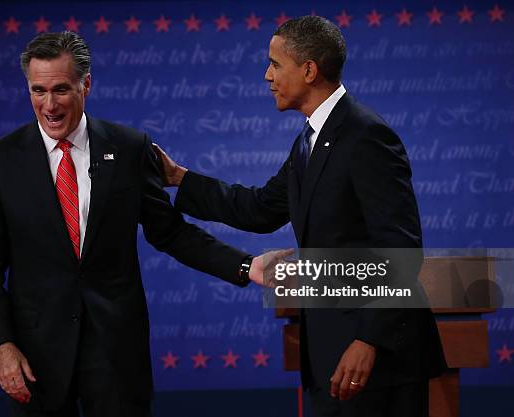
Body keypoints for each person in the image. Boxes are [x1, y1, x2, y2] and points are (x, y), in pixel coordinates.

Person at [0, 31, 272, 417]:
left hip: (115, 351)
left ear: (86, 84)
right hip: (35, 353)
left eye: (61, 89)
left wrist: (246, 266)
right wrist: (1, 345)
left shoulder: (129, 148)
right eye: (37, 90)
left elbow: (172, 233)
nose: (49, 105)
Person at [154, 16, 446, 417]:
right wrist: (179, 179)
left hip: (376, 362)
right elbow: (259, 209)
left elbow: (401, 248)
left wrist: (368, 341)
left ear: (309, 70)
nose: (267, 75)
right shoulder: (310, 141)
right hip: (332, 355)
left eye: (275, 64)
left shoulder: (366, 136)